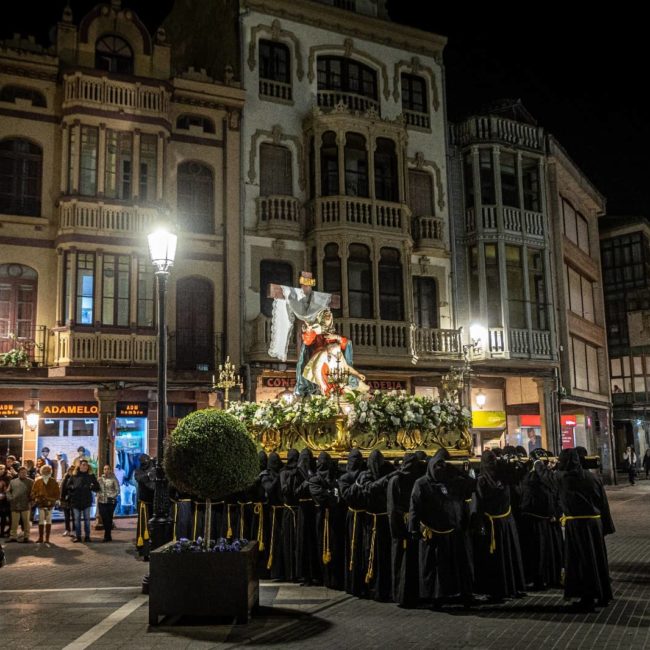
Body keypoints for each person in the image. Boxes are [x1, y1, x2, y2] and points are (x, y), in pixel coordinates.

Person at [410, 449, 476, 608]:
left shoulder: (452, 480)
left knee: (454, 566)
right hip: (432, 534)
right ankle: (435, 598)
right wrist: (413, 528)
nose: (440, 469)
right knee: (435, 569)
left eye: (443, 466)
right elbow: (415, 507)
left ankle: (457, 594)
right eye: (437, 466)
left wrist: (456, 471)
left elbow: (471, 486)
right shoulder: (422, 484)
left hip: (452, 533)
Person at [556, 449, 614, 611]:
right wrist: (606, 525)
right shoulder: (593, 477)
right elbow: (603, 503)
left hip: (578, 526)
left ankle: (587, 598)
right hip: (594, 524)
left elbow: (551, 480)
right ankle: (602, 594)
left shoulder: (565, 479)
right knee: (597, 559)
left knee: (582, 561)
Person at [474, 450, 526, 601]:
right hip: (505, 522)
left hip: (491, 524)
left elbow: (478, 505)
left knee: (495, 559)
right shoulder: (503, 477)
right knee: (508, 555)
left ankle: (496, 590)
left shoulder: (482, 480)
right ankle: (511, 587)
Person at [387, 453, 425, 607]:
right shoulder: (397, 480)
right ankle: (402, 595)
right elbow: (393, 507)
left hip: (411, 526)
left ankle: (413, 595)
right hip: (402, 528)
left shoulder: (415, 479)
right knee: (402, 562)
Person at [69, 459, 100, 543]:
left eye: (86, 465)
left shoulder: (91, 476)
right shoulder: (74, 475)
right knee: (77, 520)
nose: (85, 466)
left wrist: (91, 487)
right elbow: (68, 485)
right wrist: (73, 488)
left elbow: (97, 487)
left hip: (86, 501)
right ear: (79, 466)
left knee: (87, 520)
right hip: (76, 501)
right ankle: (78, 536)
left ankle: (87, 536)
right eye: (83, 465)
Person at [31, 464, 60, 545]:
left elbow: (57, 494)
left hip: (50, 504)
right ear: (41, 471)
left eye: (47, 470)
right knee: (40, 520)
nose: (46, 472)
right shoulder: (38, 481)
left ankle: (47, 538)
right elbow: (33, 492)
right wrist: (37, 497)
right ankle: (40, 537)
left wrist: (51, 499)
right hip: (40, 503)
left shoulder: (53, 481)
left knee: (48, 520)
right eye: (44, 470)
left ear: (50, 471)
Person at [134, 454, 155, 558]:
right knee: (145, 528)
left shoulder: (154, 468)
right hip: (144, 504)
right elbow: (141, 479)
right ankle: (145, 551)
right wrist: (148, 475)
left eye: (147, 461)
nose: (145, 463)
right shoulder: (138, 471)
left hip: (155, 503)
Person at [6, 466, 34, 543]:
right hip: (15, 504)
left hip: (25, 504)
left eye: (25, 472)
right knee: (14, 523)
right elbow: (8, 491)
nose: (23, 474)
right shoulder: (13, 482)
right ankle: (13, 537)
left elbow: (34, 492)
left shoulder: (31, 482)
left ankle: (26, 537)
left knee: (26, 522)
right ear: (18, 473)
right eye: (22, 472)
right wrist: (10, 498)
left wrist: (32, 500)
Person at [97, 465, 120, 542]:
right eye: (104, 469)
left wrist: (111, 497)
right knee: (104, 518)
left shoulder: (114, 479)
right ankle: (108, 535)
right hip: (101, 502)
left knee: (109, 519)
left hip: (110, 502)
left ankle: (107, 535)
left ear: (110, 470)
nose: (106, 470)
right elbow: (97, 489)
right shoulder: (100, 479)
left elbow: (117, 490)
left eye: (107, 469)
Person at [60, 465, 75, 537]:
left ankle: (75, 530)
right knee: (67, 516)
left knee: (74, 516)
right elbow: (62, 489)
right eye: (70, 470)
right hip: (65, 500)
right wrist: (61, 499)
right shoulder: (65, 479)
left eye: (72, 470)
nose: (71, 472)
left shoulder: (76, 479)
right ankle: (67, 530)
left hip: (73, 500)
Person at [0, 464, 11, 537]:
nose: (1, 470)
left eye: (2, 469)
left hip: (5, 500)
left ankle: (3, 532)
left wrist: (4, 494)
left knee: (4, 516)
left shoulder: (8, 477)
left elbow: (9, 488)